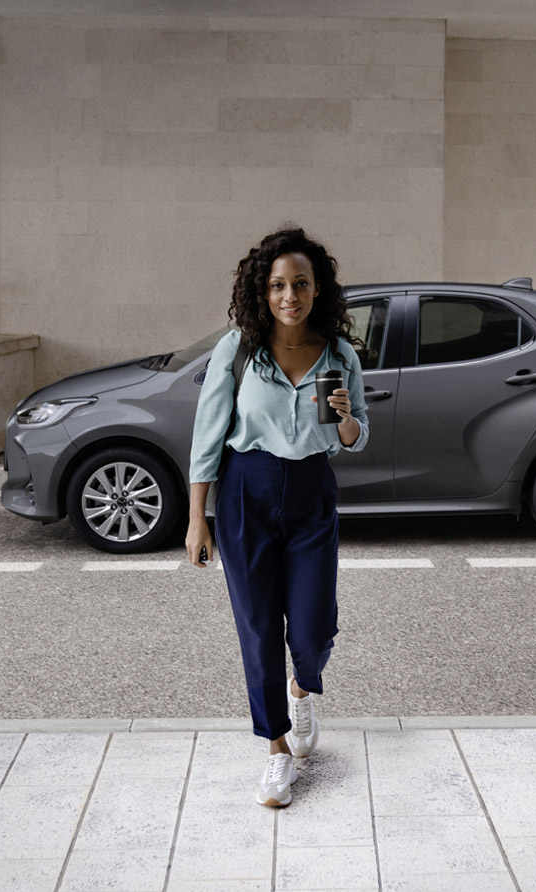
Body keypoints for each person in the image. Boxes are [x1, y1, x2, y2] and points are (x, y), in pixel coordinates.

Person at [186, 227, 369, 808]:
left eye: (300, 284)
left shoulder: (340, 355)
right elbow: (207, 437)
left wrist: (343, 416)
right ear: (261, 291)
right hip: (246, 490)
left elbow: (355, 436)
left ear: (319, 290)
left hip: (313, 489)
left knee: (313, 626)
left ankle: (304, 686)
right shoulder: (238, 351)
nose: (289, 295)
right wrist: (197, 518)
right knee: (260, 627)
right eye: (277, 285)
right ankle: (277, 751)